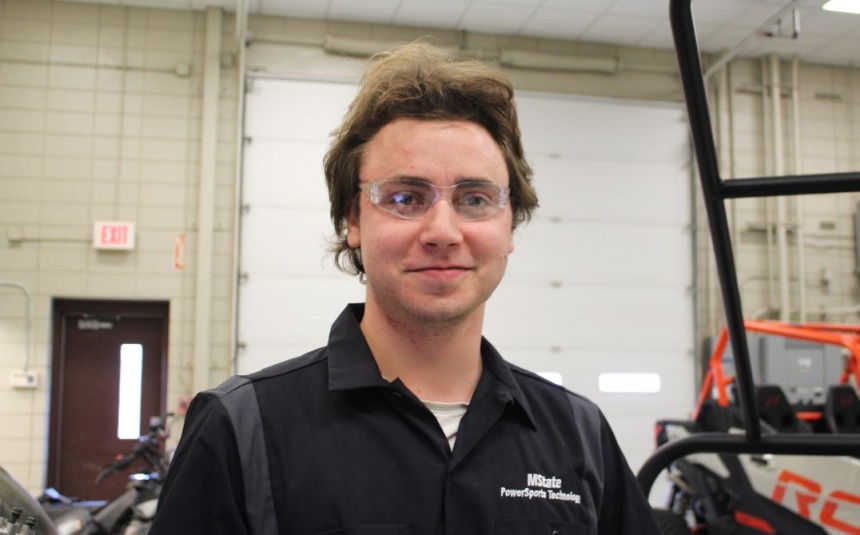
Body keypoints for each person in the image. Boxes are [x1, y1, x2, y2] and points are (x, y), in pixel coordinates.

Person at [150, 41, 661, 534]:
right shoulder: (241, 428)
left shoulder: (579, 433)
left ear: (510, 227)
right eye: (404, 197)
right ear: (352, 219)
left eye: (476, 199)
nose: (442, 231)